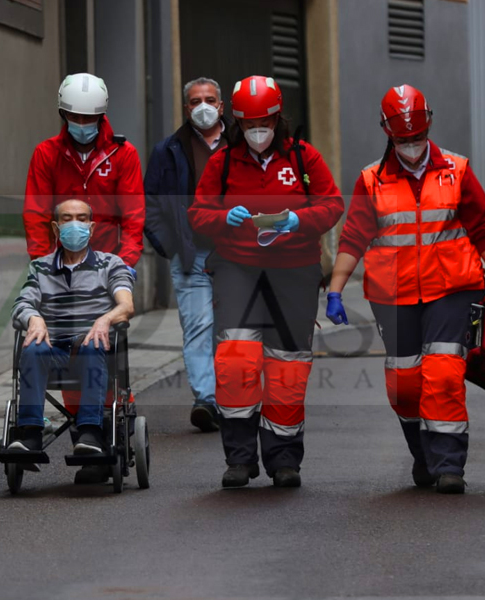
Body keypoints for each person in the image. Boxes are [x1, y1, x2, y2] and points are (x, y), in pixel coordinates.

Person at [327, 84, 485, 495]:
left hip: (454, 288)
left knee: (443, 372)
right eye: (403, 138)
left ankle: (449, 467)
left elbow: (482, 226)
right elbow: (353, 237)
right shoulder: (371, 180)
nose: (412, 145)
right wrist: (336, 289)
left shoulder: (457, 170)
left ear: (428, 125)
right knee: (405, 383)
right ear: (388, 133)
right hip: (393, 296)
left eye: (417, 136)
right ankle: (424, 456)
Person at [189, 75, 344, 488]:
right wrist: (225, 218)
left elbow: (332, 204)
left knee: (287, 369)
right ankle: (239, 458)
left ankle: (284, 459)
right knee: (236, 361)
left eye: (267, 122)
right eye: (251, 123)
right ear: (238, 123)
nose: (260, 131)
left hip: (293, 271)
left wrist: (299, 220)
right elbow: (198, 214)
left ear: (278, 119)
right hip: (237, 268)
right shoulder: (222, 163)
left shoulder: (303, 158)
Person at [9, 200, 135, 470]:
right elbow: (22, 303)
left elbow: (126, 306)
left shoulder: (110, 264)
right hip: (53, 347)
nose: (74, 224)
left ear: (91, 227)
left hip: (91, 349)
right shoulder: (40, 268)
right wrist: (35, 319)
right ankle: (30, 433)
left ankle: (89, 433)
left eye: (81, 218)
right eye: (67, 219)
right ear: (56, 228)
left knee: (92, 342)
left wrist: (104, 319)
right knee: (32, 347)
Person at [144, 76, 234, 433]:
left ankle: (237, 397)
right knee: (197, 328)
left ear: (222, 106)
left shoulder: (240, 144)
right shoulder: (169, 150)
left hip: (234, 254)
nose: (203, 106)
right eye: (195, 101)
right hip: (190, 255)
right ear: (186, 108)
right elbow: (150, 202)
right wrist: (170, 246)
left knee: (233, 329)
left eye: (210, 99)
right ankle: (207, 401)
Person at [24, 72, 145, 269]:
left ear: (100, 115)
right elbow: (36, 214)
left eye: (88, 118)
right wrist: (42, 264)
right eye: (74, 116)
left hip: (109, 261)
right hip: (59, 262)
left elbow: (133, 216)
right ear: (63, 114)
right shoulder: (46, 154)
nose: (81, 123)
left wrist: (124, 265)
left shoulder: (123, 154)